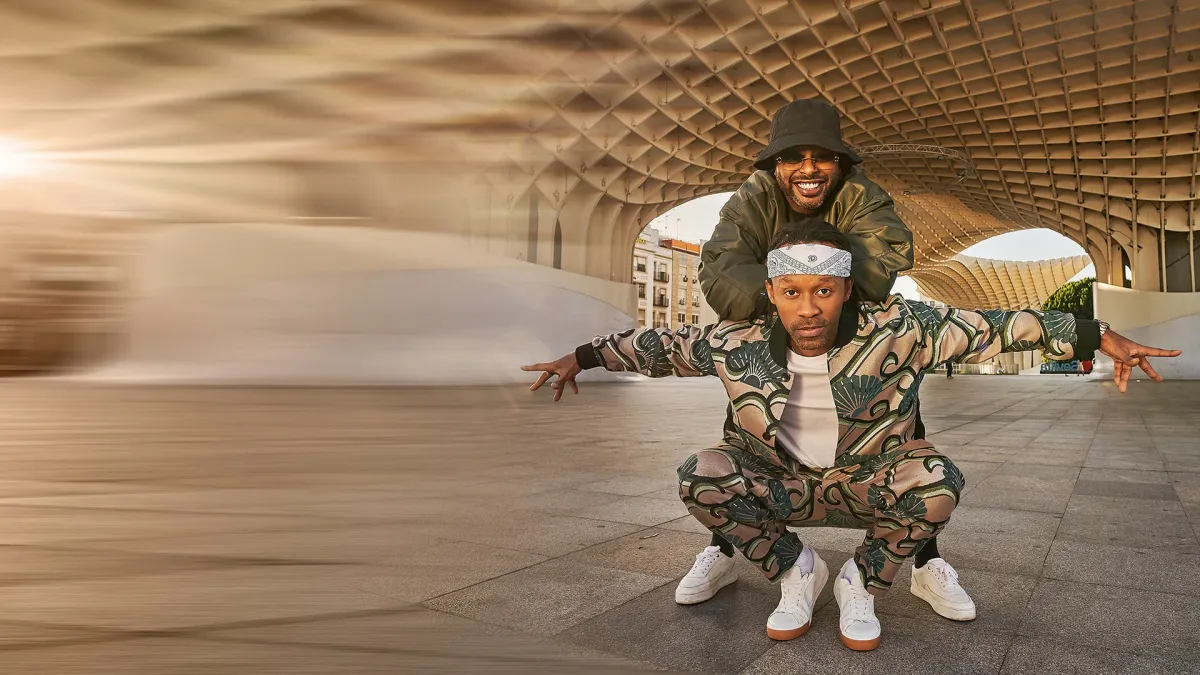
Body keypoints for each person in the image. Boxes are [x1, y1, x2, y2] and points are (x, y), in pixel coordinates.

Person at [523, 219, 1179, 651]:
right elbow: (654, 346)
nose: (808, 308)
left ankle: (862, 582)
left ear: (845, 289)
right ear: (771, 291)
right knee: (700, 473)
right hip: (780, 486)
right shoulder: (733, 341)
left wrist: (1099, 335)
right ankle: (796, 570)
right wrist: (579, 357)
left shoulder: (903, 328)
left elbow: (1003, 326)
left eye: (825, 291)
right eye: (792, 291)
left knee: (939, 483)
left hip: (868, 483)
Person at [692, 97, 965, 621]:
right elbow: (720, 272)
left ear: (840, 163)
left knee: (899, 423)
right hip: (779, 331)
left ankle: (926, 561)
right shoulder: (751, 198)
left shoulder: (863, 194)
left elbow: (880, 263)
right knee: (746, 428)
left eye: (822, 157)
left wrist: (812, 295)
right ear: (776, 165)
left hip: (854, 337)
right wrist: (791, 301)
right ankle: (723, 551)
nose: (809, 168)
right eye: (794, 157)